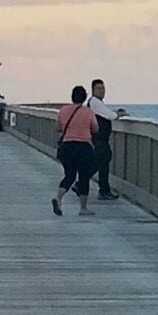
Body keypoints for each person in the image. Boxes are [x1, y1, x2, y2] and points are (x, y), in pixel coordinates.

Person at [53, 85, 99, 218]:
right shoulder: (88, 112)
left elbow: (58, 128)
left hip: (67, 147)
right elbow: (95, 128)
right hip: (83, 147)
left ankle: (59, 199)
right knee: (84, 177)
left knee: (69, 176)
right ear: (84, 97)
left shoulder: (64, 110)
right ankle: (83, 208)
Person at [88, 77, 128, 201]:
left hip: (100, 139)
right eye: (99, 89)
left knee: (100, 163)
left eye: (103, 88)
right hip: (99, 139)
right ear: (93, 90)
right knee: (101, 163)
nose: (102, 91)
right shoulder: (94, 102)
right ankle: (102, 190)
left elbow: (104, 112)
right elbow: (108, 115)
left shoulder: (96, 103)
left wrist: (115, 111)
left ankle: (92, 186)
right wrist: (118, 114)